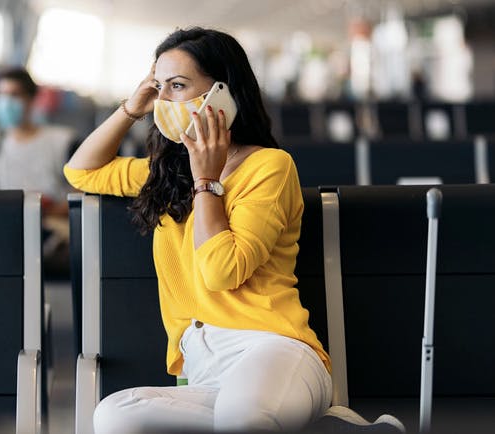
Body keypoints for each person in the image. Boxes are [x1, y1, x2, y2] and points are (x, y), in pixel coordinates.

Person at [65, 27, 404, 433]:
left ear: (223, 93)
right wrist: (131, 109)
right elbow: (82, 171)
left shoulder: (269, 167)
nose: (164, 101)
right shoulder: (165, 174)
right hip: (206, 370)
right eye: (159, 88)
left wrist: (206, 183)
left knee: (242, 417)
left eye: (177, 86)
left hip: (274, 349)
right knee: (114, 416)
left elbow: (222, 272)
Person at [0, 67, 75, 273]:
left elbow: (82, 192)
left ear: (32, 99)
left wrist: (44, 211)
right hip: (5, 229)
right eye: (0, 95)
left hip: (51, 231)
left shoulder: (61, 141)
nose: (5, 102)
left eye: (14, 95)